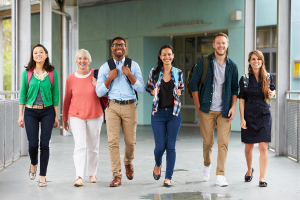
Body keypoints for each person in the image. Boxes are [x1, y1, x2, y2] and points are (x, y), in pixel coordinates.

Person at [190, 32, 239, 187]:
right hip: (206, 109)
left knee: (223, 142)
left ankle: (220, 174)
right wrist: (198, 106)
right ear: (213, 44)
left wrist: (233, 107)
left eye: (223, 43)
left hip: (224, 110)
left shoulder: (233, 66)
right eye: (218, 43)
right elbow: (193, 83)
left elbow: (234, 89)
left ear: (227, 44)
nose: (221, 45)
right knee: (208, 142)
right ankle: (207, 165)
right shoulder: (204, 62)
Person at [96, 36, 145, 187]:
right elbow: (98, 92)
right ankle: (116, 175)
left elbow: (142, 89)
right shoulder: (105, 67)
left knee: (130, 142)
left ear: (125, 48)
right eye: (116, 45)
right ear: (112, 48)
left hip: (130, 106)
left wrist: (129, 75)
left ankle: (128, 161)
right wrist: (109, 79)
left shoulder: (133, 65)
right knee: (113, 142)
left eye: (122, 45)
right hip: (112, 107)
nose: (119, 47)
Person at [18, 44, 59, 187]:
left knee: (45, 144)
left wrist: (55, 115)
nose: (38, 54)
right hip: (30, 112)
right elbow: (23, 94)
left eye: (41, 52)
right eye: (35, 52)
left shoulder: (53, 73)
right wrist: (20, 115)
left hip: (47, 111)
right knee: (33, 144)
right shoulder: (27, 73)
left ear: (46, 55)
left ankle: (42, 176)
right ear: (33, 56)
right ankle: (33, 163)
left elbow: (55, 95)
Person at [62, 49, 104, 187]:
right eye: (80, 58)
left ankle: (92, 174)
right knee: (80, 146)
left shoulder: (97, 75)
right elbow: (67, 99)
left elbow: (106, 95)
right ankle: (79, 176)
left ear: (89, 61)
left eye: (85, 58)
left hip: (95, 114)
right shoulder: (70, 79)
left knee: (93, 146)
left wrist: (97, 85)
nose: (82, 61)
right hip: (76, 116)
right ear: (76, 61)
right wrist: (65, 118)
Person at [145, 45, 184, 187]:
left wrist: (180, 92)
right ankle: (158, 164)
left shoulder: (178, 72)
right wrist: (153, 92)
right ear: (160, 57)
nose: (167, 57)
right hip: (158, 114)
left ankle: (168, 177)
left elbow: (182, 88)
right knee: (160, 147)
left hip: (174, 113)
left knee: (171, 146)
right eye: (164, 54)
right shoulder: (154, 72)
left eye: (169, 54)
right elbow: (148, 87)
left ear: (173, 56)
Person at [239, 50, 275, 187]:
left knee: (263, 147)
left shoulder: (268, 77)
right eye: (253, 59)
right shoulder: (245, 79)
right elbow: (241, 99)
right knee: (248, 147)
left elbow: (272, 90)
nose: (256, 61)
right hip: (249, 116)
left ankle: (262, 177)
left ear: (262, 61)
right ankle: (249, 170)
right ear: (249, 61)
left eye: (259, 59)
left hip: (264, 115)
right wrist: (242, 118)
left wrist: (272, 93)